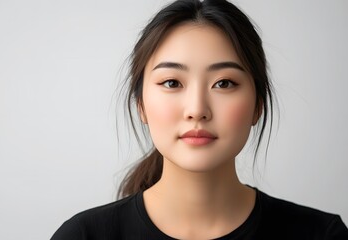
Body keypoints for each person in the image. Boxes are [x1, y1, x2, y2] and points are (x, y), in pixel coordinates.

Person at [51, 0, 348, 239]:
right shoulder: (83, 235)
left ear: (258, 105)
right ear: (140, 104)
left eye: (224, 83)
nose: (197, 109)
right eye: (172, 83)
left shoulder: (321, 234)